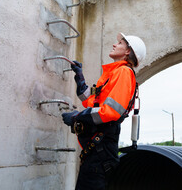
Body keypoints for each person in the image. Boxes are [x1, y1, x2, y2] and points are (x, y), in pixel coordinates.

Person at [62, 32, 146, 190]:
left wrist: (76, 118)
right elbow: (91, 101)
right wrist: (79, 77)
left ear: (128, 51)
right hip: (99, 152)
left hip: (101, 153)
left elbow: (111, 112)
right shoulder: (115, 73)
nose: (115, 45)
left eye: (120, 43)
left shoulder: (123, 73)